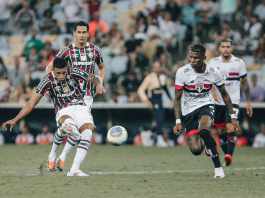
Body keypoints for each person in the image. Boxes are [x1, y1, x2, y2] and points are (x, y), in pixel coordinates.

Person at [2, 57, 99, 176]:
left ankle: (74, 169)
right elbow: (31, 103)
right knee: (70, 127)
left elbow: (92, 77)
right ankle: (53, 153)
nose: (62, 75)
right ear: (53, 70)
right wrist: (15, 119)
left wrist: (97, 84)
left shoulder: (73, 71)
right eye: (59, 73)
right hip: (63, 109)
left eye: (64, 72)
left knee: (87, 133)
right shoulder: (47, 80)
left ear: (67, 68)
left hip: (80, 106)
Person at [46, 21, 105, 172]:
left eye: (84, 32)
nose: (82, 35)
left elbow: (102, 67)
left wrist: (100, 83)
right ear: (74, 33)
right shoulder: (66, 51)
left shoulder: (95, 50)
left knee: (80, 130)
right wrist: (52, 86)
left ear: (88, 33)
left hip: (86, 96)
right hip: (67, 96)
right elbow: (50, 68)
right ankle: (54, 155)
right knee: (68, 128)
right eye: (79, 32)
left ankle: (64, 159)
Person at [174, 44, 238, 178]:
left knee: (204, 130)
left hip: (206, 104)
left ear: (204, 57)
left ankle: (218, 168)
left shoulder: (214, 72)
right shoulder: (182, 72)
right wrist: (178, 120)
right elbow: (177, 99)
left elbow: (225, 95)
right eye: (190, 57)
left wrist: (233, 116)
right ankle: (208, 144)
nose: (192, 60)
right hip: (188, 110)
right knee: (196, 150)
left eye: (195, 58)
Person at [208, 39, 253, 166]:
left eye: (228, 46)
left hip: (233, 101)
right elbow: (208, 80)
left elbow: (244, 83)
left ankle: (229, 155)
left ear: (232, 48)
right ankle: (227, 153)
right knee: (220, 131)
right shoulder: (212, 62)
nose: (226, 49)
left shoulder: (239, 63)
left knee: (230, 127)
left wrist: (248, 102)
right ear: (219, 49)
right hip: (217, 102)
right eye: (223, 46)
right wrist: (212, 91)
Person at [138, 61, 172, 147]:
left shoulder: (163, 77)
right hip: (154, 98)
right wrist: (146, 100)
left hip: (160, 98)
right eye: (155, 67)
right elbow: (140, 90)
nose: (156, 69)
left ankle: (151, 136)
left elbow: (165, 88)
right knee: (159, 118)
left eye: (158, 67)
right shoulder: (149, 77)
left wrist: (171, 99)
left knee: (161, 117)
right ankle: (159, 138)